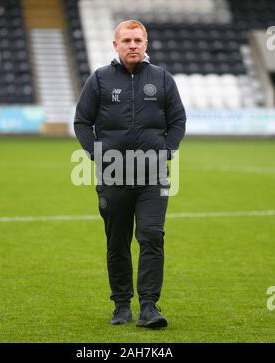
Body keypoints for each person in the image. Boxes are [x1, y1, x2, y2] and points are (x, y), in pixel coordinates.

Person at [74, 20, 186, 329]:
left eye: (138, 39)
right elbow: (82, 121)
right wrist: (97, 155)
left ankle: (149, 307)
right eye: (126, 40)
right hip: (113, 177)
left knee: (152, 236)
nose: (132, 45)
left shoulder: (163, 80)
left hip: (153, 177)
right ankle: (121, 305)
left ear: (146, 44)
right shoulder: (99, 80)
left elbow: (178, 120)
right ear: (115, 45)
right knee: (117, 242)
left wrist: (167, 151)